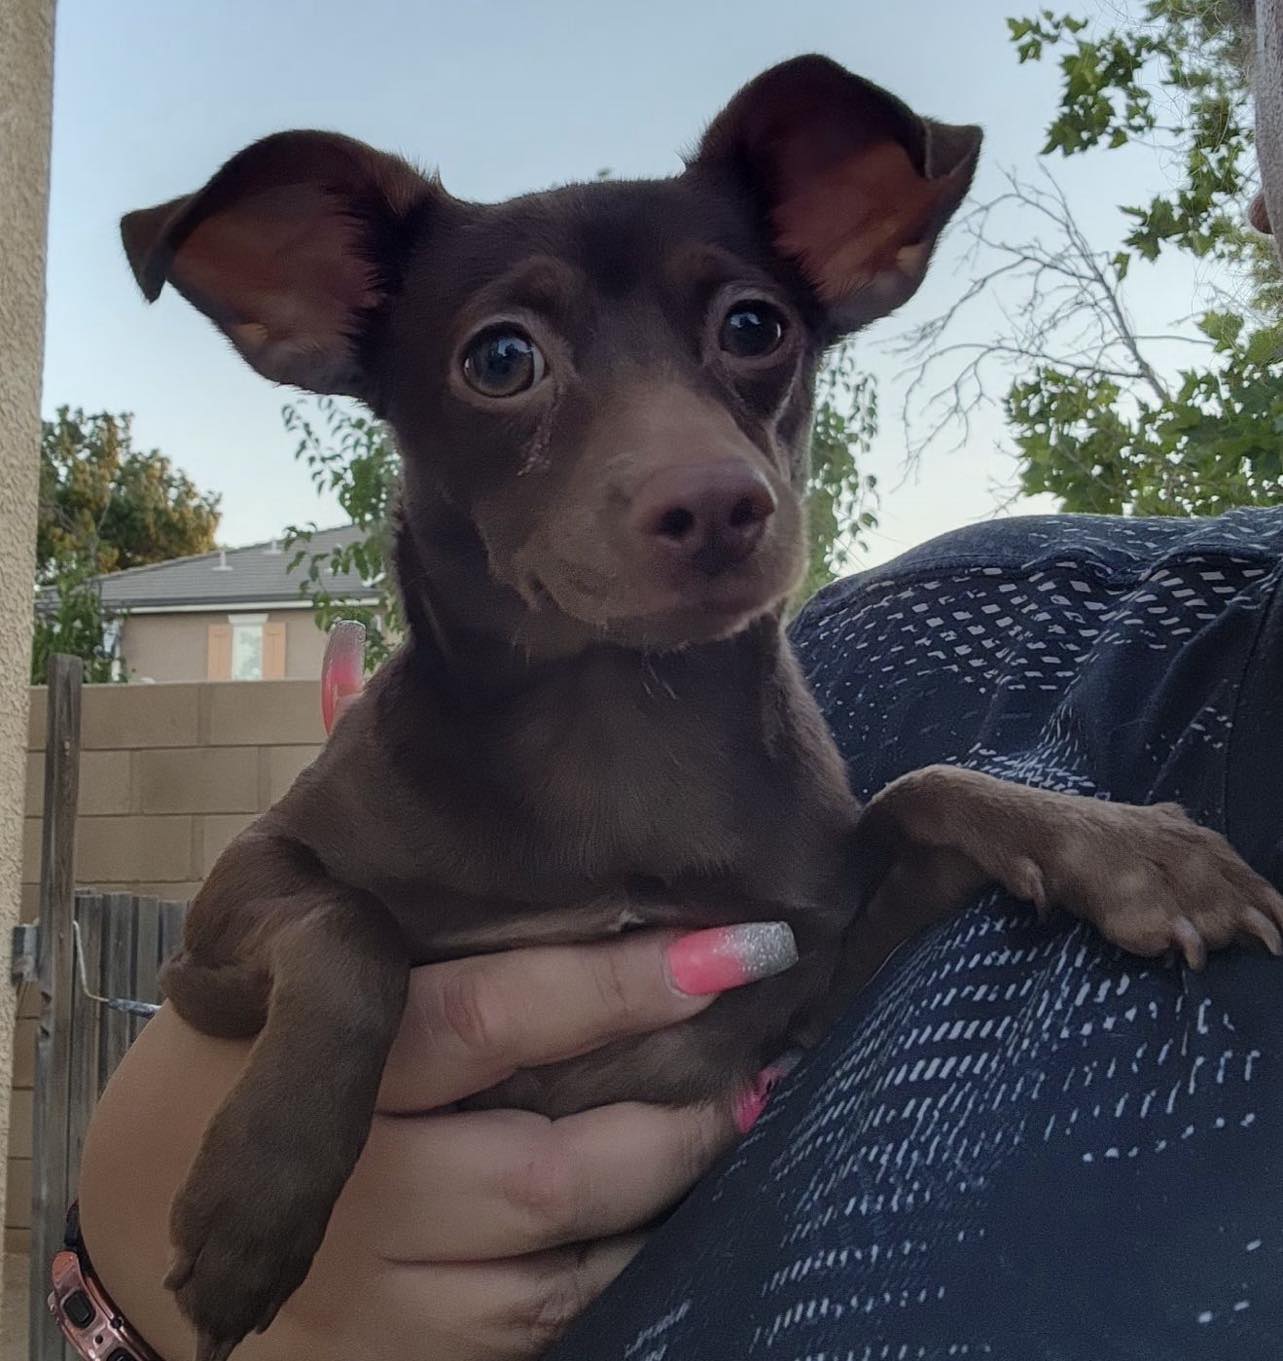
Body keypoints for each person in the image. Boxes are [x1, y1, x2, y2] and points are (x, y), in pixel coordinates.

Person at [75, 2, 1283, 1356]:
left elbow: (835, 979)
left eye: (749, 331)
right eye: (506, 360)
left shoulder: (849, 780)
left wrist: (966, 818)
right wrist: (301, 1033)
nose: (698, 469)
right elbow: (252, 910)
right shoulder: (917, 650)